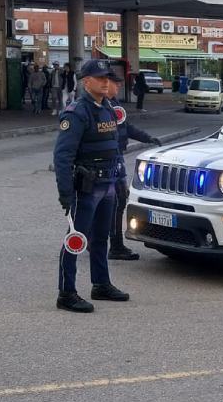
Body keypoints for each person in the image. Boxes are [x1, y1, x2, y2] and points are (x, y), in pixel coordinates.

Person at [53, 59, 132, 313]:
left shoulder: (107, 108)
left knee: (101, 239)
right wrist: (66, 194)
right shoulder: (77, 113)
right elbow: (62, 157)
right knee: (76, 240)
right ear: (86, 82)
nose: (106, 81)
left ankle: (101, 284)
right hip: (87, 188)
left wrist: (119, 179)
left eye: (108, 77)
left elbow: (114, 147)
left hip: (108, 184)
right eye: (100, 78)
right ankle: (66, 293)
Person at [103, 66, 161, 261]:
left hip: (116, 159)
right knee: (108, 202)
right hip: (107, 162)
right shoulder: (100, 105)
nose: (119, 85)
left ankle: (105, 243)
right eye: (115, 82)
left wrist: (148, 138)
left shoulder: (112, 103)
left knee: (111, 202)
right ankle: (113, 246)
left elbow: (125, 127)